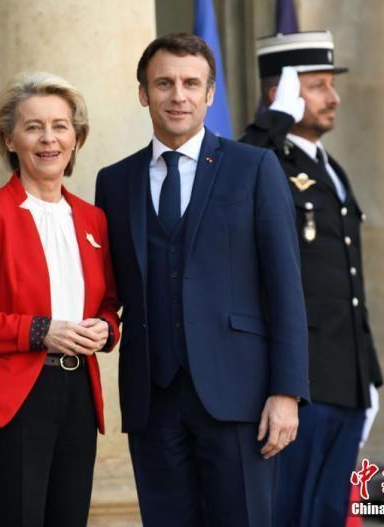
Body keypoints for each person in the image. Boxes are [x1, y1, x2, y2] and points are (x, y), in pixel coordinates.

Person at [95, 33, 309, 526]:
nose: (179, 96)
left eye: (191, 84)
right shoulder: (115, 181)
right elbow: (109, 286)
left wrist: (287, 392)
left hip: (240, 398)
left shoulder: (254, 167)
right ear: (143, 92)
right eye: (164, 83)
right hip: (152, 399)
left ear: (210, 94)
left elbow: (285, 287)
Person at [0, 71, 120, 527]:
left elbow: (109, 302)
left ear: (76, 138)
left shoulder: (93, 220)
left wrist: (105, 328)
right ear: (9, 139)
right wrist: (41, 330)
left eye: (60, 126)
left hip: (78, 396)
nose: (48, 139)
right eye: (33, 127)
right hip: (12, 399)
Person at [240, 31, 384, 526]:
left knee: (326, 513)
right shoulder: (264, 161)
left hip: (347, 377)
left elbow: (347, 282)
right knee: (288, 512)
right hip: (301, 380)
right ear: (280, 92)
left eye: (331, 85)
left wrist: (369, 373)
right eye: (318, 86)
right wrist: (274, 120)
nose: (333, 97)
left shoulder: (330, 169)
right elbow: (228, 183)